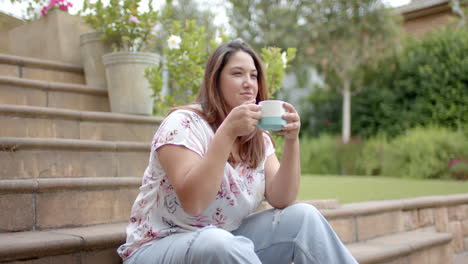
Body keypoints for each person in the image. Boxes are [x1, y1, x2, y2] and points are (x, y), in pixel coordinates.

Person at [117, 39, 357, 264]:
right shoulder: (183, 124)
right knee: (218, 242)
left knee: (304, 216)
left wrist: (293, 141)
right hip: (159, 246)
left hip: (228, 244)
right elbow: (195, 202)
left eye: (254, 75)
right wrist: (227, 132)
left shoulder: (258, 138)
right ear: (215, 80)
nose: (248, 82)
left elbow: (282, 198)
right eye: (237, 73)